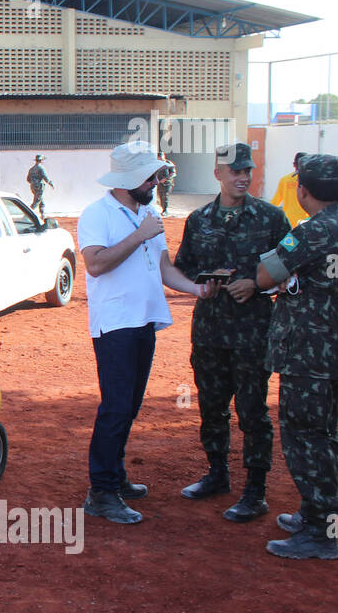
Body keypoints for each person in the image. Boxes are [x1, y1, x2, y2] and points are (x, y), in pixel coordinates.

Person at [77, 140, 218, 524]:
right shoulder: (97, 214)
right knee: (116, 408)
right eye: (149, 176)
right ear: (126, 179)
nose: (156, 181)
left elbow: (164, 267)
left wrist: (197, 289)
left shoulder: (148, 212)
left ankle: (115, 477)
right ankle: (101, 492)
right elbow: (95, 265)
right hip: (115, 326)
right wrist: (138, 234)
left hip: (144, 322)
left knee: (130, 406)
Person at [255, 154, 338, 559]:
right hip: (336, 345)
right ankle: (315, 515)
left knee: (304, 436)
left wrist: (282, 279)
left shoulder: (314, 230)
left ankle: (322, 532)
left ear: (302, 189)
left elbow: (266, 274)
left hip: (309, 350)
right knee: (323, 434)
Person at [172, 143, 290, 522]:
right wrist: (199, 285)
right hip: (208, 330)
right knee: (211, 406)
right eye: (235, 171)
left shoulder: (271, 218)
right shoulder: (198, 219)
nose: (242, 178)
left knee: (253, 411)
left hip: (253, 331)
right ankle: (217, 474)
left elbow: (289, 270)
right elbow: (184, 266)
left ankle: (255, 490)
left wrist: (256, 285)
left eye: (247, 171)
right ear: (218, 174)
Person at [269, 152, 310, 228]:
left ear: (294, 164)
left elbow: (275, 202)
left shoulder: (284, 180)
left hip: (288, 221)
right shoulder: (310, 180)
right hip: (305, 222)